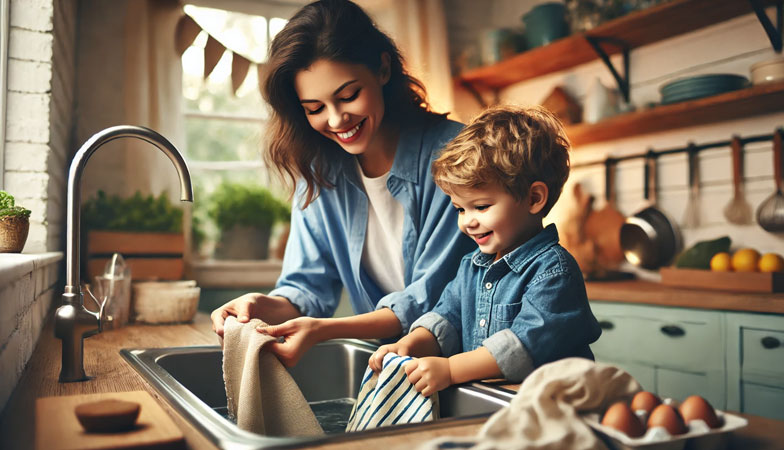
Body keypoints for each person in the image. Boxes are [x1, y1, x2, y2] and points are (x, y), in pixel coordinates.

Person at [210, 0, 474, 367]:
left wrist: (323, 329)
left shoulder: (455, 155)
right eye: (314, 108)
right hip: (393, 365)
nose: (336, 120)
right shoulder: (318, 172)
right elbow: (307, 289)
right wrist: (260, 306)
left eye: (348, 95)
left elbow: (429, 300)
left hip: (470, 367)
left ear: (382, 68)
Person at [368, 105, 602, 397]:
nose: (468, 222)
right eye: (459, 209)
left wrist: (451, 369)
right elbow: (446, 318)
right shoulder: (471, 267)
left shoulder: (553, 272)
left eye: (480, 207)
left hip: (560, 406)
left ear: (534, 198)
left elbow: (522, 345)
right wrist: (411, 344)